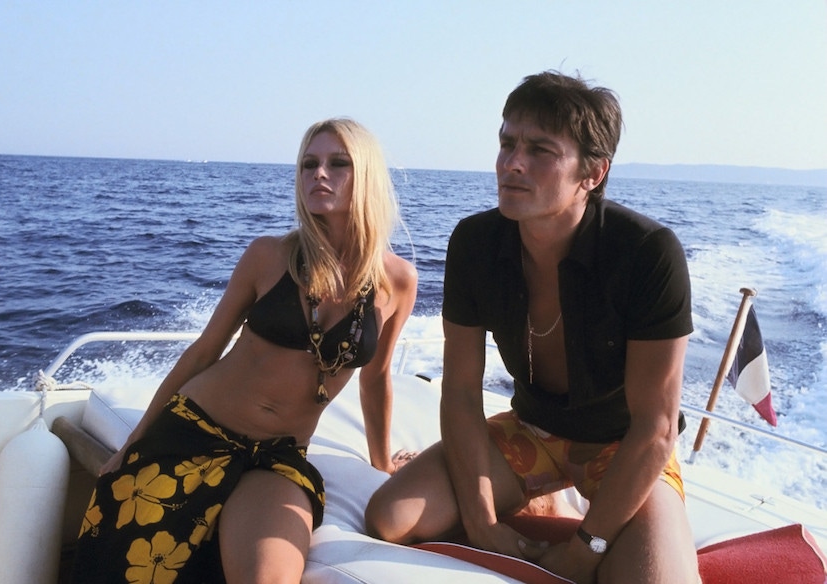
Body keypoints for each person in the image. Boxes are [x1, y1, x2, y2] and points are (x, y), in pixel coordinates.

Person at [365, 71, 699, 584]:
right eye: (506, 143)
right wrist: (481, 522)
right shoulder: (476, 243)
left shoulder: (647, 254)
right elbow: (458, 393)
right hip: (532, 432)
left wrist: (585, 551)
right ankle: (540, 499)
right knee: (390, 518)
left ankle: (570, 512)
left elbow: (654, 430)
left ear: (592, 173)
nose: (512, 163)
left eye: (541, 150)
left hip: (620, 446)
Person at [70, 118, 418, 584]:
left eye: (339, 163)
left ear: (369, 177)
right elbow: (204, 352)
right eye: (308, 164)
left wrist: (381, 464)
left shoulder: (397, 282)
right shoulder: (269, 256)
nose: (319, 174)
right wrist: (135, 441)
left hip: (277, 457)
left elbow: (375, 379)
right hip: (193, 430)